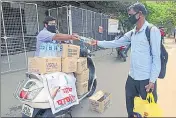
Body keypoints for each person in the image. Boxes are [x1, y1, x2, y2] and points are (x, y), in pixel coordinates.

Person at [91, 3, 161, 117]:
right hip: (132, 78)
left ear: (140, 14)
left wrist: (152, 81)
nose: (129, 17)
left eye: (131, 15)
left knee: (146, 111)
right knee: (130, 106)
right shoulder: (132, 32)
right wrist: (98, 42)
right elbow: (116, 43)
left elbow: (156, 58)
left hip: (146, 80)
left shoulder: (152, 31)